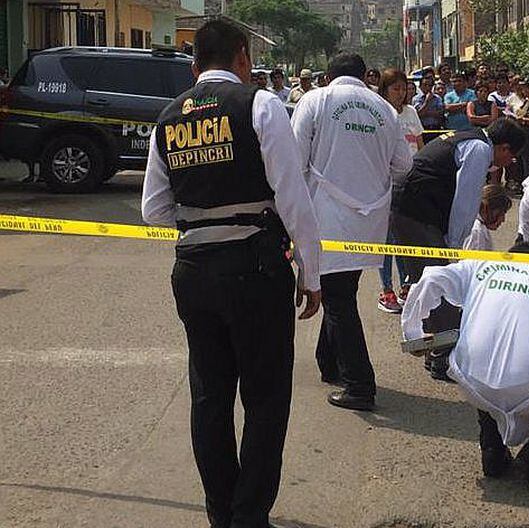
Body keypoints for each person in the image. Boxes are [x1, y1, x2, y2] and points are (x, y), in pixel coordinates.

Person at [140, 20, 322, 528]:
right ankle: (249, 514)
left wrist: (204, 204)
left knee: (210, 396)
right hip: (255, 269)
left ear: (195, 66)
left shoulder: (169, 117)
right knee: (265, 399)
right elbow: (293, 197)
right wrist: (312, 274)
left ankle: (222, 512)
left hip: (194, 272)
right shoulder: (258, 105)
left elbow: (153, 209)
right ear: (243, 58)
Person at [401, 242, 529, 489]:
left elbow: (431, 276)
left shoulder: (481, 267)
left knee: (485, 370)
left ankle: (493, 453)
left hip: (470, 376)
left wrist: (412, 335)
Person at [291, 52, 414, 411]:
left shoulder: (317, 99)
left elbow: (295, 161)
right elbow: (403, 165)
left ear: (329, 76)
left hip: (328, 216)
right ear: (365, 77)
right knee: (341, 289)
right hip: (370, 219)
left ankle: (360, 385)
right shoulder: (385, 110)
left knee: (338, 298)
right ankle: (330, 364)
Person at [390, 118, 526, 380]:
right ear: (505, 148)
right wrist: (453, 247)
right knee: (444, 287)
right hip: (418, 214)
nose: (510, 163)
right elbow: (466, 202)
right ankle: (444, 359)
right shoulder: (478, 149)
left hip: (411, 211)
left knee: (429, 284)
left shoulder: (466, 138)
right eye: (512, 157)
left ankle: (433, 352)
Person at [377, 68, 424, 313]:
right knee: (385, 241)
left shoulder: (411, 112)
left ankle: (407, 284)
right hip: (385, 186)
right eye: (395, 88)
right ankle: (386, 289)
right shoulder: (378, 113)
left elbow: (420, 144)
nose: (401, 92)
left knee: (404, 238)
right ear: (384, 90)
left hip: (410, 184)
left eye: (403, 88)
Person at [462, 183, 511, 250]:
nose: (503, 219)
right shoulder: (476, 233)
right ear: (486, 208)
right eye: (500, 213)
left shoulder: (471, 221)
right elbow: (472, 260)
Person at [414, 76, 446, 143]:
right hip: (422, 129)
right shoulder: (416, 99)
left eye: (430, 85)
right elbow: (419, 114)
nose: (428, 87)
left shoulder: (437, 98)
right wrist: (427, 101)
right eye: (425, 85)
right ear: (420, 86)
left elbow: (440, 113)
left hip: (436, 129)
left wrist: (426, 112)